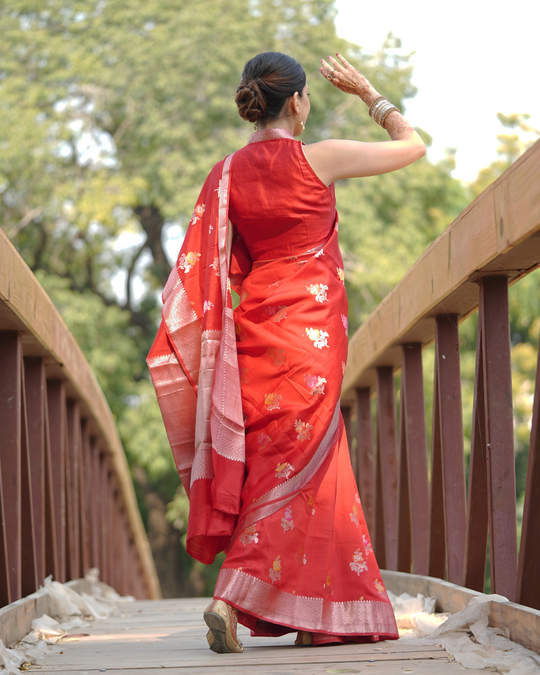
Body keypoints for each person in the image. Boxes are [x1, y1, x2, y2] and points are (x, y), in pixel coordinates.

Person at [147, 51, 425, 653]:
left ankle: (313, 612)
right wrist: (369, 94)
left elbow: (204, 274)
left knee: (284, 469)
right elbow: (414, 146)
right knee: (303, 471)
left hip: (253, 337)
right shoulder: (317, 158)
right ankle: (233, 593)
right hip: (311, 336)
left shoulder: (225, 175)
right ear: (297, 101)